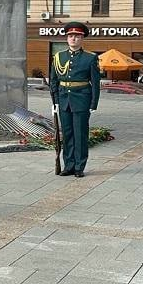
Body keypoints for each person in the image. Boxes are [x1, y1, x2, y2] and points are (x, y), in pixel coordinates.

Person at [49, 21, 101, 178]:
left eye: (77, 36)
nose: (73, 39)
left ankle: (79, 167)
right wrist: (55, 102)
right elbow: (54, 81)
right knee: (68, 134)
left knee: (80, 135)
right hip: (64, 100)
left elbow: (95, 83)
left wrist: (93, 103)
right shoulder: (59, 57)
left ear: (82, 38)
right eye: (70, 36)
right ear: (66, 38)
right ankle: (68, 165)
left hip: (82, 101)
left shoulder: (90, 58)